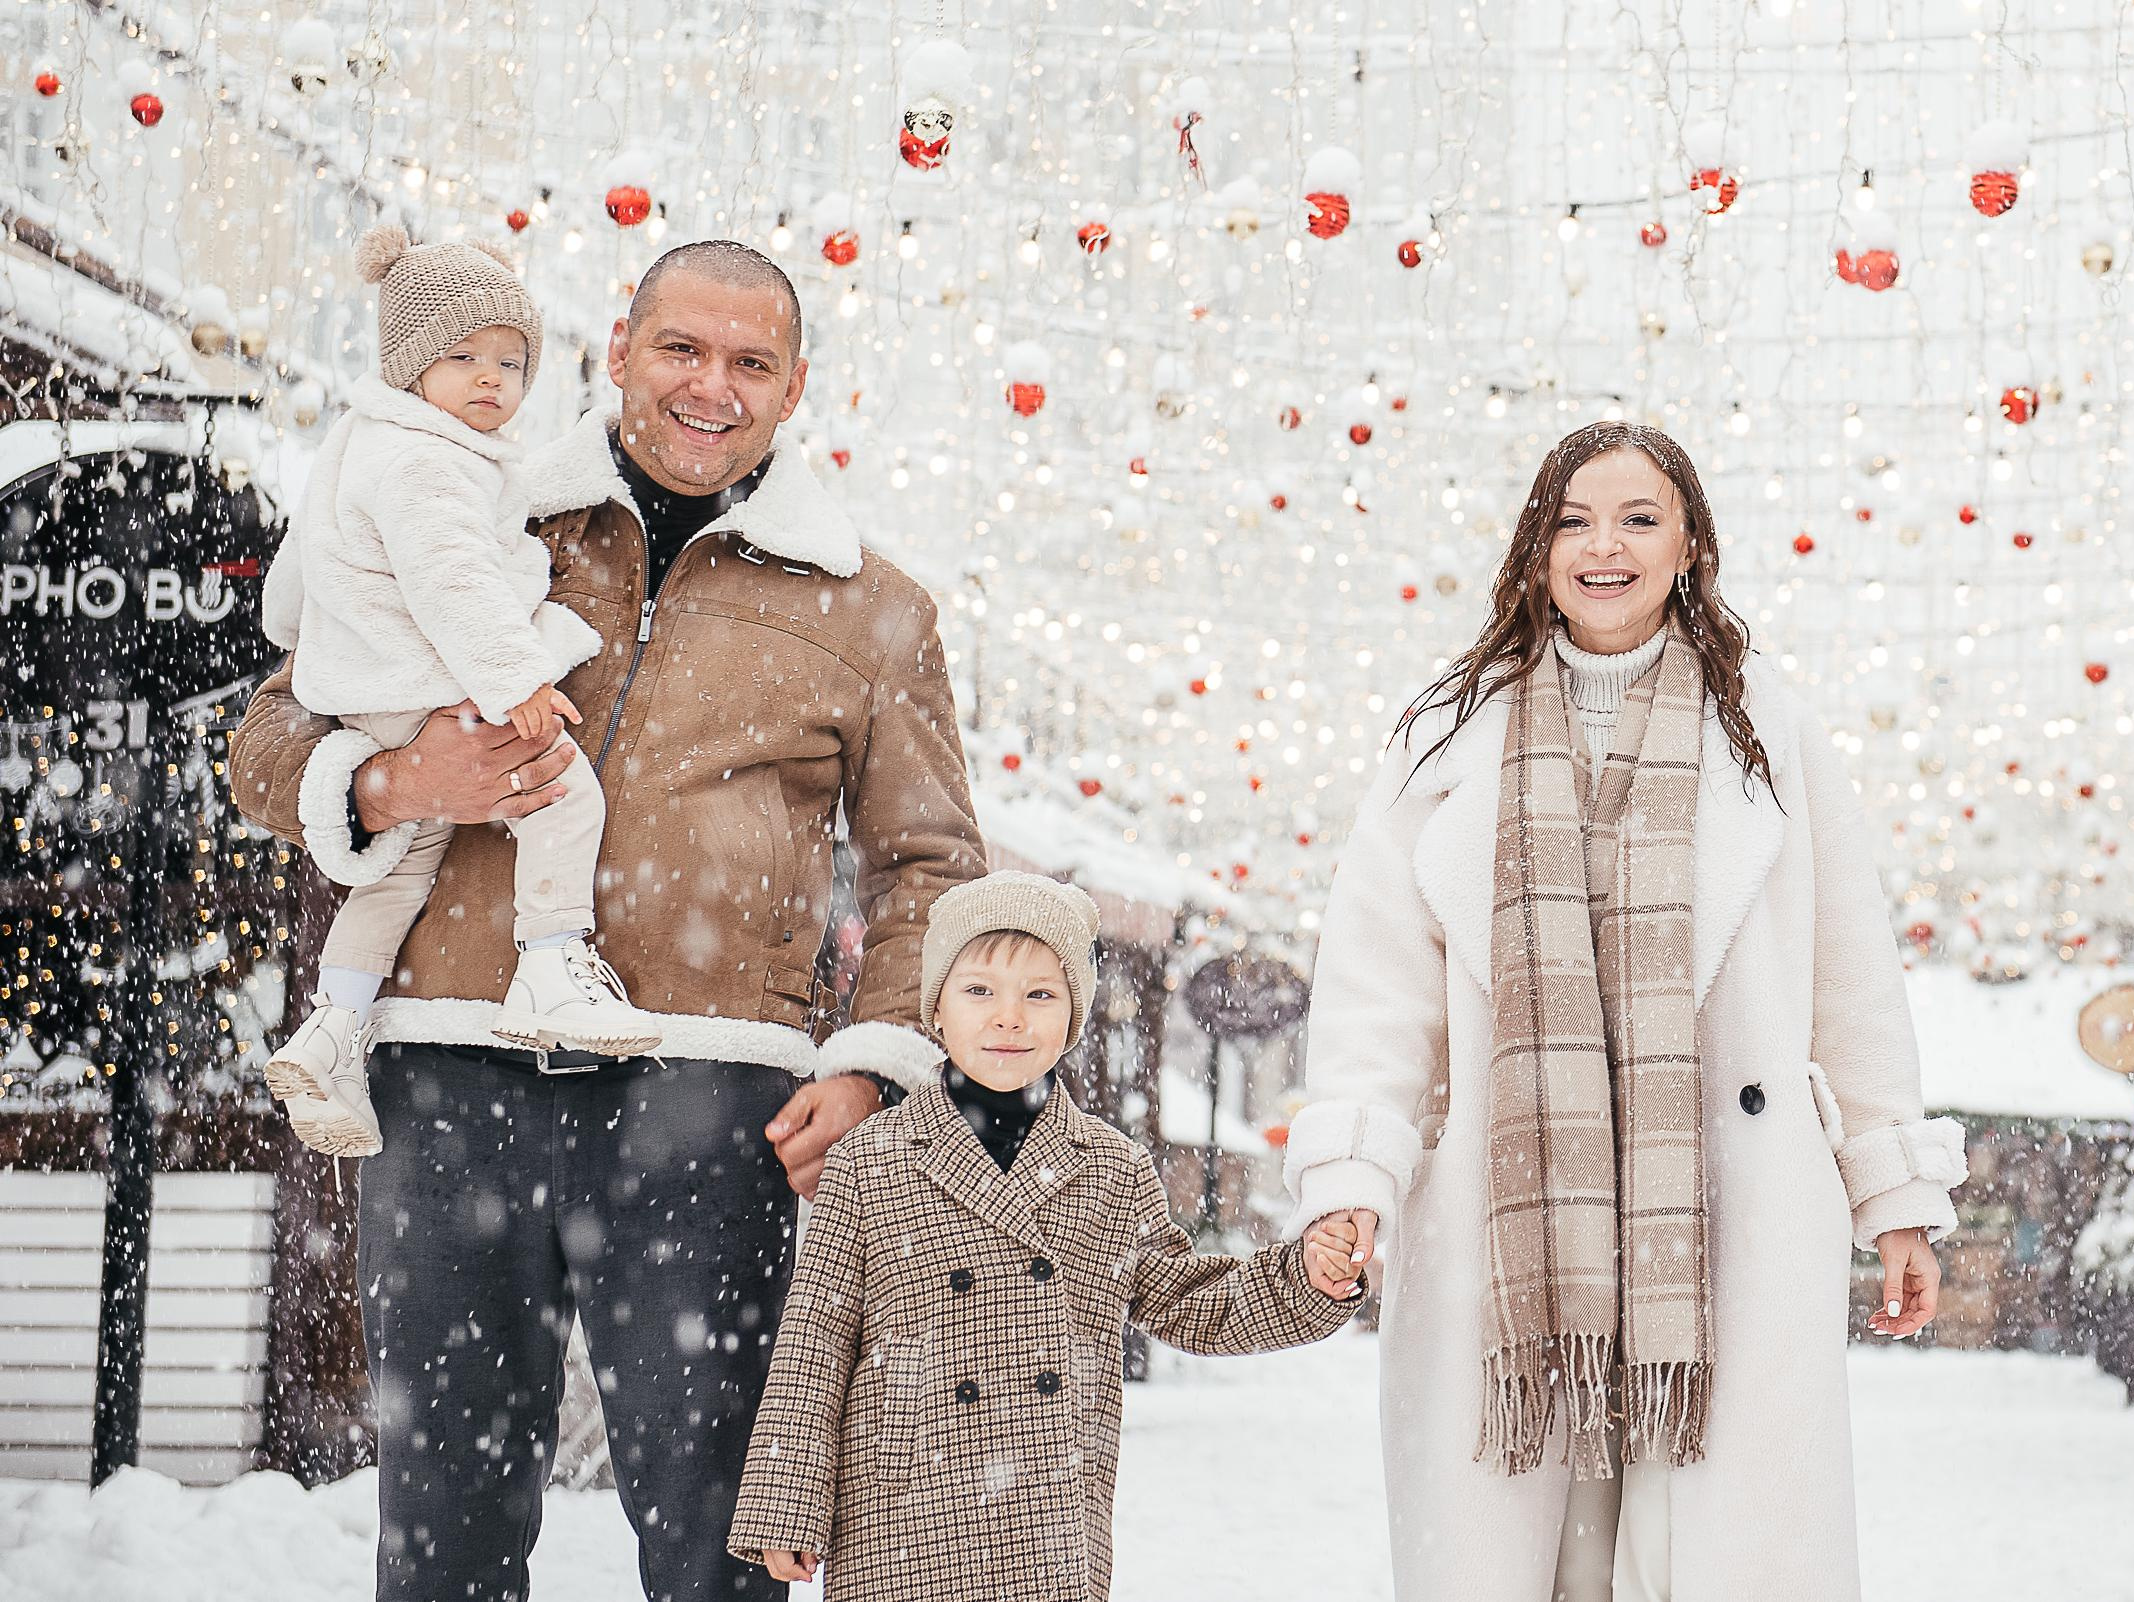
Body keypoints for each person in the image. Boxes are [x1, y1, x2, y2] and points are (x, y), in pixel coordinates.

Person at [227, 240, 985, 1602]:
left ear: (795, 385)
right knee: (442, 1535)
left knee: (718, 1541)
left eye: (751, 362)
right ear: (619, 343)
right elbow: (269, 737)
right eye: (682, 348)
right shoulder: (472, 504)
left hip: (709, 1104)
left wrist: (875, 1057)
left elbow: (931, 864)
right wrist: (397, 778)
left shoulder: (875, 609)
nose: (712, 386)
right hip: (449, 1078)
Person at [1281, 421, 1969, 1602]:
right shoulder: (1445, 735)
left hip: (1721, 1207)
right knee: (1533, 1557)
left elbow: (1851, 977)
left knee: (1695, 1553)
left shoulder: (1772, 734)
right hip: (1513, 1205)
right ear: (1536, 548)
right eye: (1574, 519)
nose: (1606, 546)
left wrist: (1895, 1197)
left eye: (1640, 518)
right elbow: (1377, 981)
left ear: (1691, 544)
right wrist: (1353, 1177)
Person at [727, 870, 1366, 1600]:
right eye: (979, 992)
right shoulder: (870, 1160)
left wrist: (1305, 1279)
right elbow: (817, 1338)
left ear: (1074, 1016)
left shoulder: (1112, 1170)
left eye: (1040, 994)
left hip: (1048, 1519)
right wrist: (787, 1502)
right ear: (936, 1007)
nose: (1009, 1018)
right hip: (901, 1509)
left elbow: (1190, 1299)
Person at [257, 224, 658, 1159]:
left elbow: (289, 583)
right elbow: (453, 583)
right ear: (408, 366)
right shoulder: (430, 459)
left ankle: (333, 1028)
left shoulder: (358, 441)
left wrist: (308, 637)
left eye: (511, 362)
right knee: (562, 797)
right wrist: (516, 680)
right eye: (462, 357)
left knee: (401, 865)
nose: (490, 380)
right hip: (431, 681)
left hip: (368, 689)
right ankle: (552, 966)